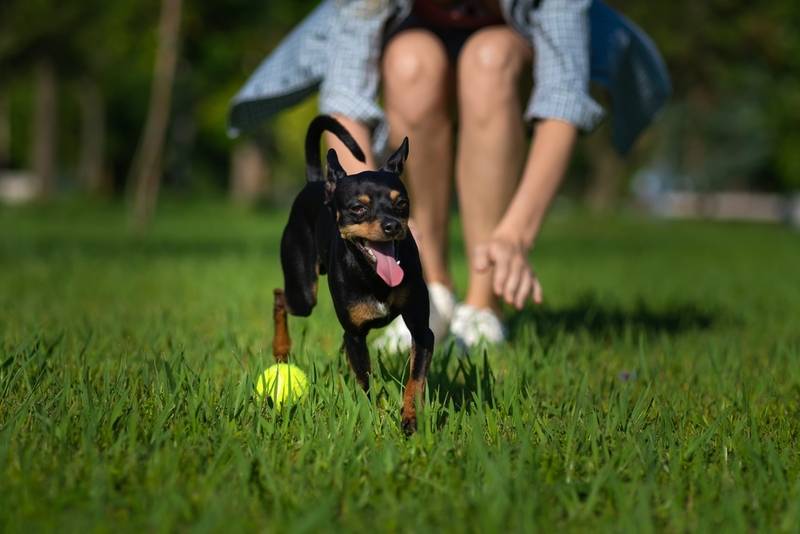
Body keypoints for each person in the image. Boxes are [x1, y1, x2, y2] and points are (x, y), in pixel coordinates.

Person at [229, 0, 670, 351]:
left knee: (490, 60)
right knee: (410, 63)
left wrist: (516, 234)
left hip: (507, 50)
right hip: (413, 45)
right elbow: (346, 95)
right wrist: (371, 210)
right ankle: (431, 292)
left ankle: (483, 306)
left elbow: (562, 102)